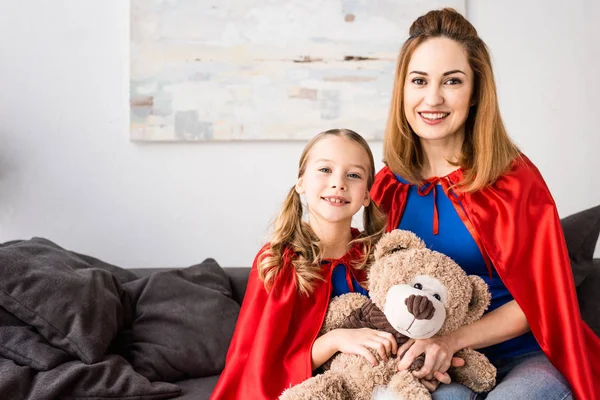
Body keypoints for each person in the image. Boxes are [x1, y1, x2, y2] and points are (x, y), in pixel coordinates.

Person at [370, 8, 600, 400]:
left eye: (452, 81)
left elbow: (539, 299)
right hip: (441, 361)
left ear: (476, 91)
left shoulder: (512, 179)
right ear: (403, 89)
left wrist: (451, 339)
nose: (433, 98)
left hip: (526, 355)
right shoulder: (390, 185)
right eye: (419, 80)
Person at [211, 129, 396, 400]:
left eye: (354, 175)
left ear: (367, 194)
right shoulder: (277, 262)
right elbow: (263, 366)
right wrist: (335, 340)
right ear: (301, 182)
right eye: (325, 169)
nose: (339, 183)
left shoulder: (377, 261)